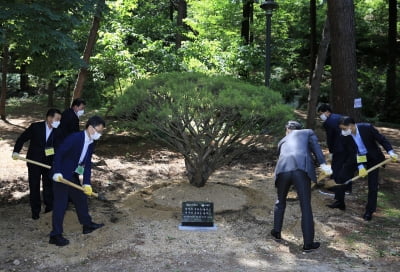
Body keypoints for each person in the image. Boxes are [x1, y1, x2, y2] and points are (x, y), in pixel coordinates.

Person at [270, 121, 332, 252]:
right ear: (299, 129)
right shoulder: (307, 132)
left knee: (280, 201)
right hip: (300, 170)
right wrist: (323, 164)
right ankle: (308, 244)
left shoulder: (282, 140)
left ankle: (276, 232)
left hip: (282, 170)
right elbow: (315, 148)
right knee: (305, 206)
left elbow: (282, 156)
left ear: (287, 129)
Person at [49, 115, 105, 246]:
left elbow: (87, 164)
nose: (100, 133)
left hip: (72, 174)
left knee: (80, 198)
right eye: (99, 130)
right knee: (60, 204)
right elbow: (59, 154)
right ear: (91, 128)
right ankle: (55, 235)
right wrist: (56, 171)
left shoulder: (91, 143)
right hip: (61, 176)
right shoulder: (74, 138)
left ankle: (87, 225)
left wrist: (86, 182)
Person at [335, 116, 397, 221]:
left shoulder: (366, 128)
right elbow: (352, 151)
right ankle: (340, 202)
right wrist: (360, 166)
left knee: (372, 185)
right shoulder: (345, 136)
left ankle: (369, 211)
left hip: (373, 157)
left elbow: (381, 139)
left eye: (344, 128)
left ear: (351, 126)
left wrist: (391, 152)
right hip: (357, 157)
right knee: (342, 176)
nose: (343, 131)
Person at [12, 109, 62, 220]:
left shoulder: (58, 131)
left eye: (59, 120)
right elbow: (22, 139)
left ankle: (49, 209)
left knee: (48, 185)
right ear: (49, 118)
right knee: (34, 186)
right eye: (57, 119)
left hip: (48, 163)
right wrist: (16, 151)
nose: (58, 122)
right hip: (34, 161)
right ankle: (35, 212)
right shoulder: (36, 127)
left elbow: (59, 148)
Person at [317, 104, 351, 208]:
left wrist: (331, 151)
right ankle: (347, 188)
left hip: (338, 149)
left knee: (336, 168)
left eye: (321, 114)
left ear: (327, 111)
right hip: (349, 147)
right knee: (346, 168)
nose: (321, 116)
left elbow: (330, 138)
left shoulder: (328, 122)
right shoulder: (340, 116)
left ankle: (335, 188)